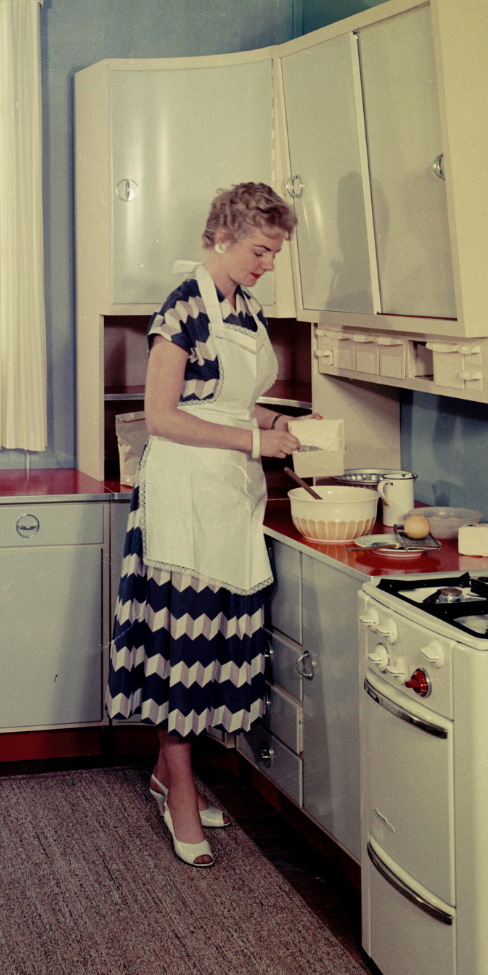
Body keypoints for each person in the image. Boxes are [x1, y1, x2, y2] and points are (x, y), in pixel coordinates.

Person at [107, 182, 300, 867]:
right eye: (260, 249)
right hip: (184, 497)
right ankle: (179, 789)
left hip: (228, 494)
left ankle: (169, 773)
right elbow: (162, 416)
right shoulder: (183, 307)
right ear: (222, 236)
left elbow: (230, 402)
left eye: (275, 252)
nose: (268, 263)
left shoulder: (243, 307)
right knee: (181, 650)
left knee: (216, 646)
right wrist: (255, 442)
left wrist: (274, 422)